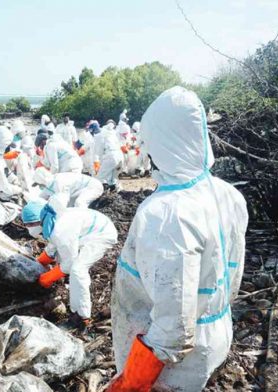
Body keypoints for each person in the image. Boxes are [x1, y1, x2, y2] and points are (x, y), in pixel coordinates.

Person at [107, 87, 248, 391]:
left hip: (174, 364)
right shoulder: (228, 194)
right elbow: (233, 275)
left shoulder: (167, 214)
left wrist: (131, 382)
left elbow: (174, 329)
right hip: (216, 326)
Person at [21, 201, 117, 330]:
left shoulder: (61, 229)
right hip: (88, 230)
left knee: (78, 269)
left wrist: (48, 278)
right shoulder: (51, 219)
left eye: (30, 225)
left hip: (102, 234)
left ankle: (82, 318)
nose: (29, 228)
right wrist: (42, 261)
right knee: (70, 262)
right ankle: (76, 310)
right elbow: (54, 243)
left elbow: (69, 262)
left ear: (39, 221)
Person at [33, 167, 103, 209]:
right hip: (81, 190)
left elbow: (62, 203)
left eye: (39, 184)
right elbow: (40, 198)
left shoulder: (59, 182)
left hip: (93, 187)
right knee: (71, 206)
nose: (40, 187)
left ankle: (85, 223)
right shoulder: (50, 184)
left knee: (79, 203)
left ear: (42, 181)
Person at [92, 121, 123, 191]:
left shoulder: (98, 136)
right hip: (120, 157)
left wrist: (99, 165)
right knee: (112, 179)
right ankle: (116, 192)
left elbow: (99, 152)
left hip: (111, 157)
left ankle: (104, 193)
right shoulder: (111, 134)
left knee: (100, 178)